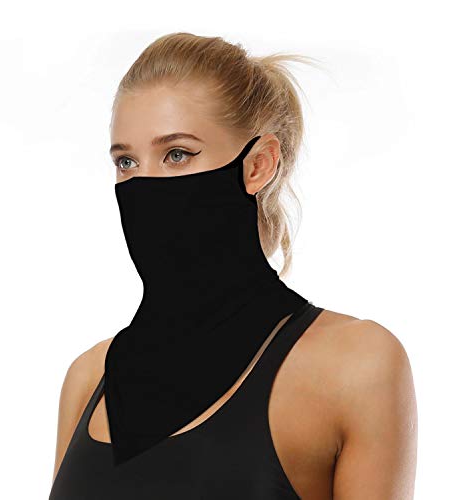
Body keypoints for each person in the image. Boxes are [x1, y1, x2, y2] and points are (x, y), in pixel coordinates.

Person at [49, 33, 417, 499]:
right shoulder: (89, 378)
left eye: (177, 154)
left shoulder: (355, 366)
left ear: (258, 165)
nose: (143, 185)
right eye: (126, 162)